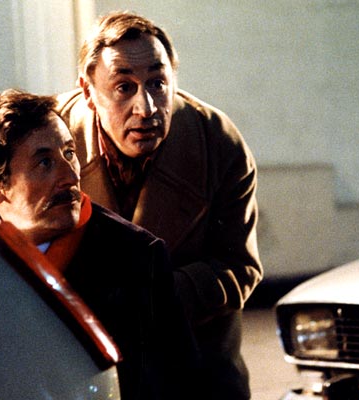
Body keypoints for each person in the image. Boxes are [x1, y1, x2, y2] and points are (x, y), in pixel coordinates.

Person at [55, 11, 263, 399]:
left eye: (158, 83)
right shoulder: (51, 138)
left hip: (197, 372)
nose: (146, 108)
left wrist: (151, 300)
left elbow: (241, 267)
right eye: (123, 87)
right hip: (89, 373)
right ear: (87, 91)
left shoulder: (217, 141)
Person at [0, 89, 202, 400]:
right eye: (45, 162)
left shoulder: (137, 258)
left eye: (69, 153)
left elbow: (179, 387)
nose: (70, 175)